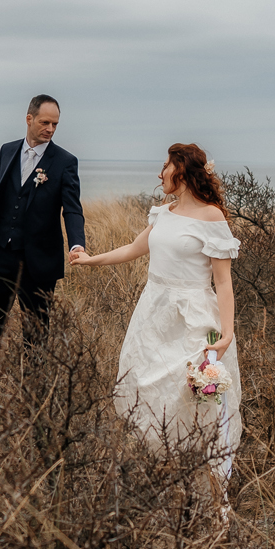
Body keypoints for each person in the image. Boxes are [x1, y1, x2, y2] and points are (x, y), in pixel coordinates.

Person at [70, 143, 241, 488]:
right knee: (148, 388)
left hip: (193, 316)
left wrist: (226, 334)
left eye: (166, 166)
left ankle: (205, 481)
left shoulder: (212, 217)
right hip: (154, 312)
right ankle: (164, 472)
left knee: (194, 397)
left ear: (183, 171)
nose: (159, 173)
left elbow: (223, 282)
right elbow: (134, 249)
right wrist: (90, 260)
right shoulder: (164, 212)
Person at [0, 95, 86, 344]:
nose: (50, 129)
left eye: (55, 124)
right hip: (0, 253)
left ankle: (33, 372)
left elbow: (72, 209)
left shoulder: (66, 162)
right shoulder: (7, 151)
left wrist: (77, 243)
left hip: (39, 261)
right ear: (29, 119)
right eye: (45, 122)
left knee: (35, 336)